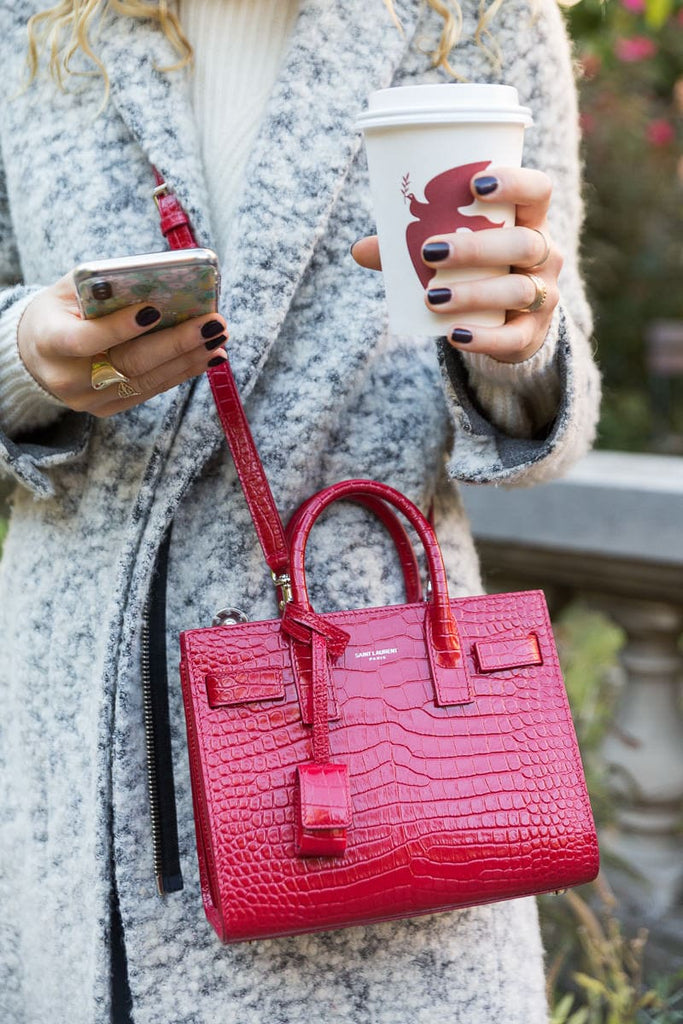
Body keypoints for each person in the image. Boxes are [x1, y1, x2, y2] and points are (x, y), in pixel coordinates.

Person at [0, 0, 600, 1021]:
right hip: (93, 710)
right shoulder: (29, 16)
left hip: (387, 727)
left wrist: (521, 340)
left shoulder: (480, 14)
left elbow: (546, 366)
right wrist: (27, 361)